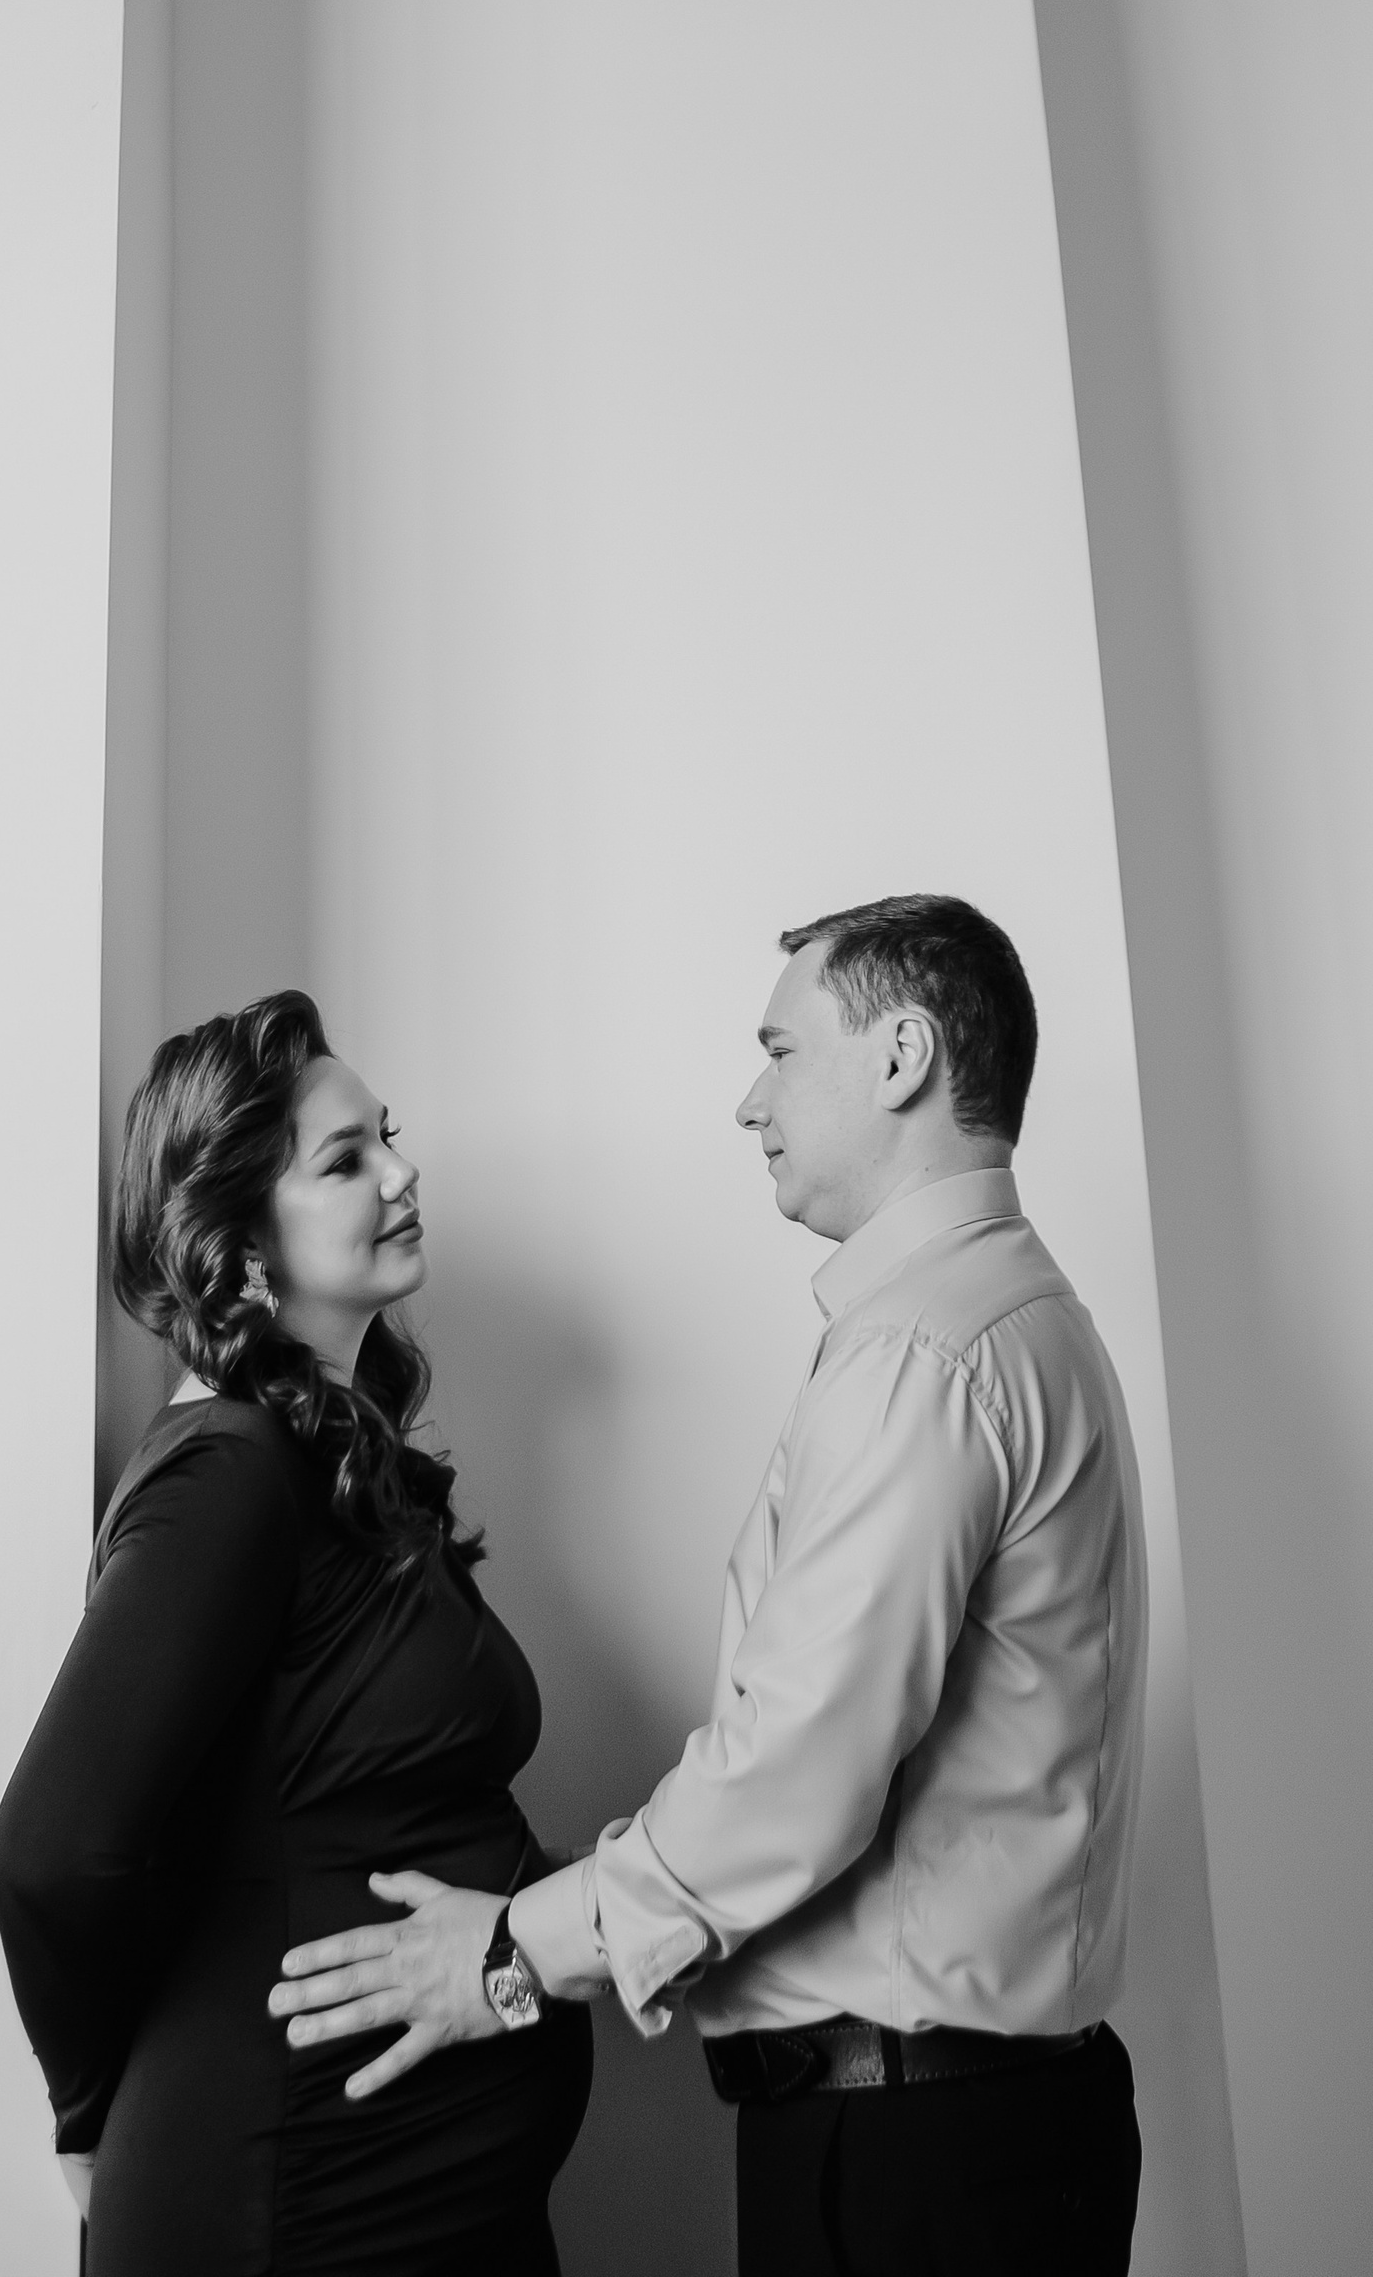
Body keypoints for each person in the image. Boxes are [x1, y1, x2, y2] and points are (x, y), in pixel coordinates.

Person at [269, 896, 1149, 2277]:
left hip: (913, 2160)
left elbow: (797, 1772)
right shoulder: (1017, 1319)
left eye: (782, 1051)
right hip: (979, 2135)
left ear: (903, 1056)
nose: (752, 1101)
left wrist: (511, 1952)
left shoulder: (924, 1358)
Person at [0, 989, 592, 2276]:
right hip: (288, 2186)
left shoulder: (335, 1467)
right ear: (245, 1239)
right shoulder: (230, 1472)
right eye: (346, 1158)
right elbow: (52, 1844)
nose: (402, 1172)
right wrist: (87, 2113)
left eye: (389, 1137)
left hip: (408, 2188)